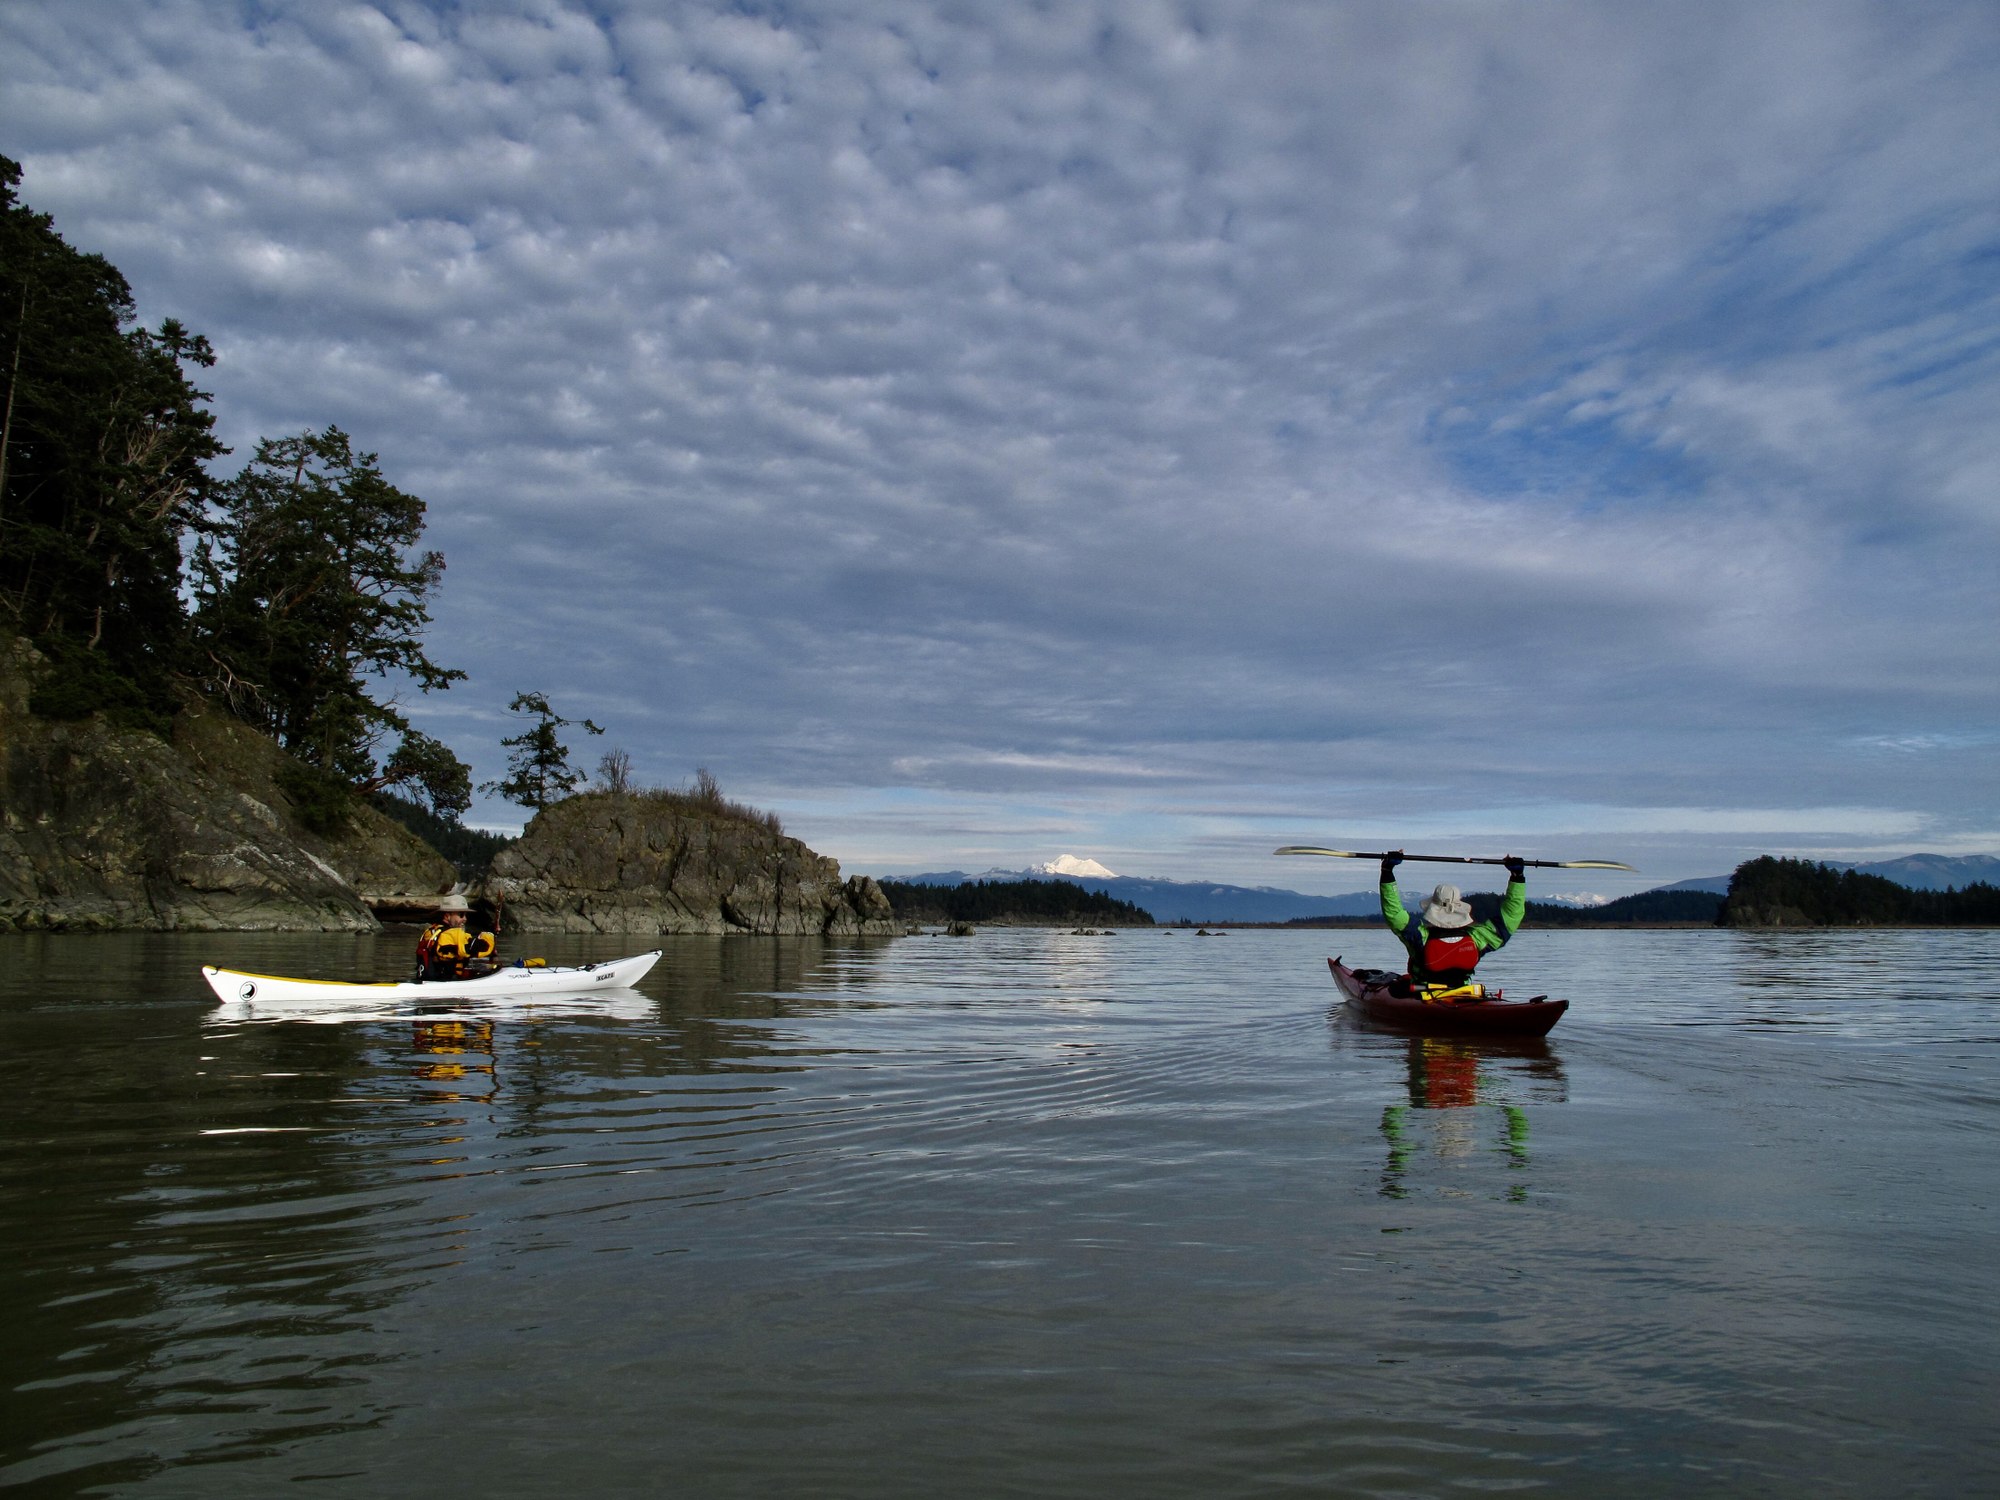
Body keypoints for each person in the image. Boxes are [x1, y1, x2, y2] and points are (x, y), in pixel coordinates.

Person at [1378, 850, 1527, 998]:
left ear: (1432, 910)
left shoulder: (1419, 937)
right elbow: (1511, 915)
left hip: (1422, 994)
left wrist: (1387, 871)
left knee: (1397, 988)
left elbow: (1394, 912)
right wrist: (1517, 877)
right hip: (1463, 994)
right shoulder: (1478, 938)